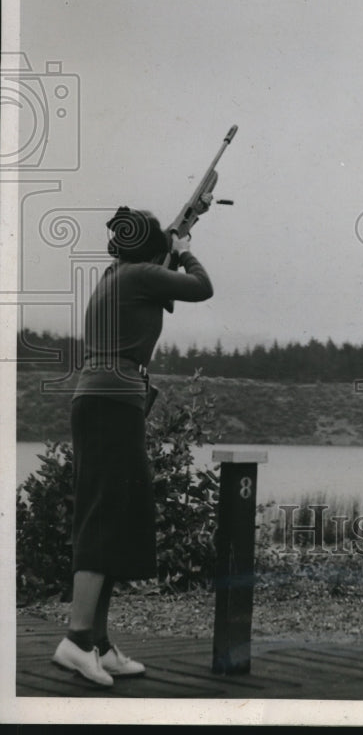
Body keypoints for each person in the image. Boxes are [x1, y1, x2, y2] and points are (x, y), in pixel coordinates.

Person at [52, 206, 213, 687]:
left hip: (106, 399)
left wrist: (182, 227)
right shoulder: (143, 274)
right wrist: (185, 250)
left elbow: (149, 258)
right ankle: (77, 641)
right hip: (111, 402)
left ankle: (96, 642)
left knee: (114, 513)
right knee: (104, 514)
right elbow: (201, 286)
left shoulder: (116, 273)